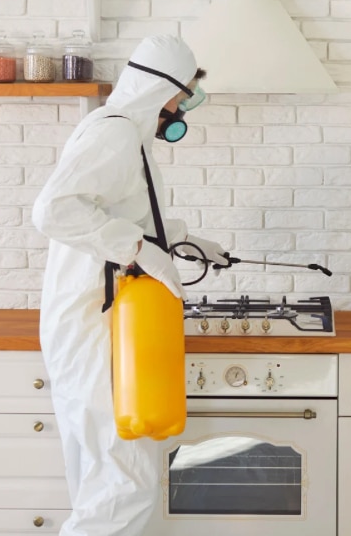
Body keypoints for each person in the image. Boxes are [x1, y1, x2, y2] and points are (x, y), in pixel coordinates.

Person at [32, 35, 228, 535]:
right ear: (161, 90)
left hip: (104, 326)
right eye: (183, 96)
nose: (182, 108)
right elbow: (54, 210)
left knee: (105, 480)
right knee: (125, 484)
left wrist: (180, 237)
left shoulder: (122, 135)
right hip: (99, 330)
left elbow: (119, 211)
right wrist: (140, 251)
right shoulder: (114, 135)